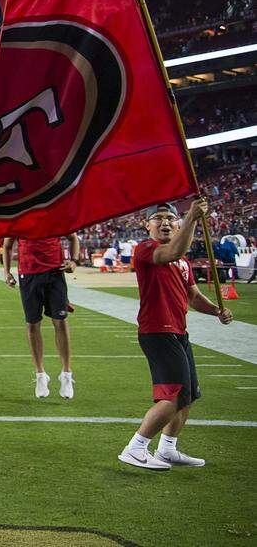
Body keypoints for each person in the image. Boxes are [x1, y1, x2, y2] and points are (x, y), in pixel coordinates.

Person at [118, 200, 233, 470]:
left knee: (188, 395)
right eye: (157, 218)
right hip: (157, 331)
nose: (165, 222)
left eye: (170, 217)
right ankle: (135, 448)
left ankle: (167, 449)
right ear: (147, 226)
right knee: (173, 395)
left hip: (178, 331)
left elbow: (193, 296)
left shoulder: (182, 260)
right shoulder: (147, 249)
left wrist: (217, 310)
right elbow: (170, 252)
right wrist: (192, 217)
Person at [3, 233, 80, 399]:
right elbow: (7, 245)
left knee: (60, 321)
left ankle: (66, 374)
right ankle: (40, 374)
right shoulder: (19, 214)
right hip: (28, 274)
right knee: (32, 324)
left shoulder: (54, 212)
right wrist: (7, 272)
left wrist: (74, 261)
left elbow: (73, 237)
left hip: (55, 273)